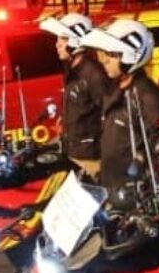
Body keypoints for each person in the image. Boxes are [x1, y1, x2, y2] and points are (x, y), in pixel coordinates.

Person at [81, 18, 159, 192]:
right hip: (112, 188)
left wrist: (147, 182)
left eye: (111, 55)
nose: (104, 61)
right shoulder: (115, 90)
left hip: (135, 196)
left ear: (130, 57)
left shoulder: (149, 98)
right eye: (104, 54)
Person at [40, 13, 112, 177]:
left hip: (90, 158)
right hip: (74, 153)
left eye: (62, 39)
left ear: (76, 41)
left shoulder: (94, 74)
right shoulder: (72, 71)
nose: (57, 44)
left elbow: (111, 114)